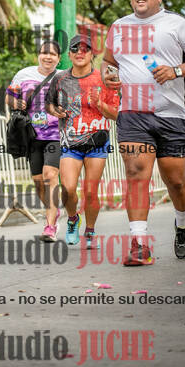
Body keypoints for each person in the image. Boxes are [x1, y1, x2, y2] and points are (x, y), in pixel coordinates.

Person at [101, 0, 185, 265]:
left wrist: (175, 71)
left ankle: (182, 222)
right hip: (132, 114)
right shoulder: (119, 27)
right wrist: (108, 74)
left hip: (172, 115)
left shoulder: (176, 23)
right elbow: (109, 61)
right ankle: (139, 245)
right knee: (136, 173)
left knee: (175, 181)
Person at [46, 34, 119, 249]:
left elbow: (116, 114)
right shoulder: (60, 79)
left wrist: (100, 105)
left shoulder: (104, 79)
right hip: (70, 143)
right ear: (69, 55)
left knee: (90, 191)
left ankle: (90, 230)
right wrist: (55, 111)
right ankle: (72, 219)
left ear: (92, 54)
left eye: (85, 49)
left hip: (97, 142)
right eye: (75, 49)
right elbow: (49, 104)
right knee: (68, 189)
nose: (80, 52)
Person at [6, 41, 61, 242]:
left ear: (58, 58)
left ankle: (50, 226)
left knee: (50, 175)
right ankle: (53, 211)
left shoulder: (63, 77)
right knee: (38, 182)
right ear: (38, 55)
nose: (48, 57)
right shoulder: (23, 75)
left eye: (53, 54)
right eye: (44, 53)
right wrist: (16, 102)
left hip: (56, 135)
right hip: (32, 136)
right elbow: (9, 97)